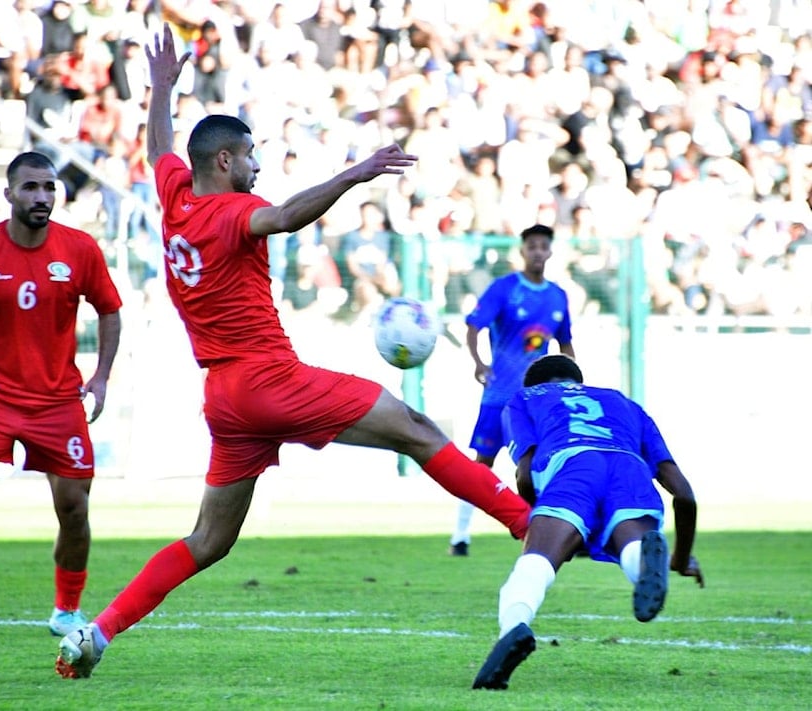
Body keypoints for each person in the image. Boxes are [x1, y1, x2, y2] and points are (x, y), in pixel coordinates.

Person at [54, 24, 532, 680]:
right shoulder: (230, 212)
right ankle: (526, 524)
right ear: (224, 162)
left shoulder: (174, 197)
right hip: (268, 379)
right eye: (249, 156)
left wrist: (161, 87)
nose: (257, 167)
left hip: (225, 399)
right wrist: (357, 173)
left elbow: (160, 146)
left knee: (208, 541)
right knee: (418, 430)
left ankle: (98, 631)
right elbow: (279, 217)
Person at [0, 151, 123, 643]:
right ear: (9, 193)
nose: (42, 197)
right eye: (31, 188)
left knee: (74, 508)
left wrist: (100, 377)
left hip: (58, 401)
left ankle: (67, 612)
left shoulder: (80, 249)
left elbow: (110, 311)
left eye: (49, 188)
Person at [472, 354, 704, 690]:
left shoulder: (523, 399)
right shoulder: (623, 402)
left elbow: (525, 471)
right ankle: (642, 560)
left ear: (534, 384)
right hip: (629, 468)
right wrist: (681, 560)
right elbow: (684, 493)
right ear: (577, 382)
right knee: (631, 543)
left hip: (570, 464)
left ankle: (514, 628)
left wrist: (539, 518)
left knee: (535, 564)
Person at [449, 224, 575, 557]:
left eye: (543, 246)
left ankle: (548, 533)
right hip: (500, 396)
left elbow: (565, 344)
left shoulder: (557, 296)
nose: (537, 252)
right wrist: (479, 363)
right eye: (531, 246)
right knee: (481, 465)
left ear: (549, 252)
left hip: (538, 400)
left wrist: (574, 384)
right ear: (522, 250)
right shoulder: (504, 288)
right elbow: (474, 325)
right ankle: (460, 536)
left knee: (544, 464)